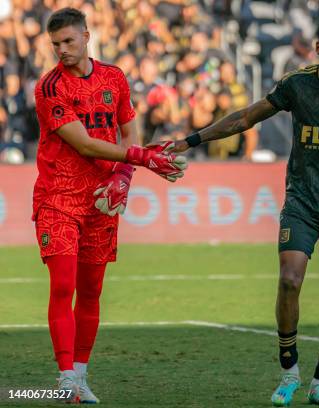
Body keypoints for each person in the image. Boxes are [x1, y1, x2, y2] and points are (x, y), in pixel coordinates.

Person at [170, 21, 319, 406]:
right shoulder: (297, 84)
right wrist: (190, 140)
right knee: (290, 280)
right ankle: (289, 372)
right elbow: (246, 117)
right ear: (318, 48)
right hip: (302, 201)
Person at [33, 8, 187, 403]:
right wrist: (143, 158)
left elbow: (128, 126)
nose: (62, 51)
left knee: (91, 291)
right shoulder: (49, 88)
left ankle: (82, 377)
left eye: (68, 41)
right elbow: (83, 143)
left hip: (102, 198)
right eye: (56, 45)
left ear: (86, 36)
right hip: (59, 197)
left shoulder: (114, 77)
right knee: (63, 284)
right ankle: (65, 377)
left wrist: (123, 175)